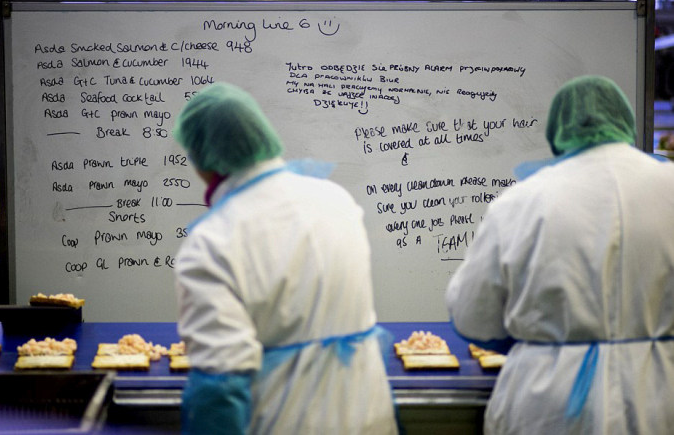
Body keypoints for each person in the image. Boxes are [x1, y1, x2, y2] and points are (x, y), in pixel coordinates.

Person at [445, 75, 674, 434]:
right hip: (660, 399)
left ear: (558, 131)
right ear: (625, 122)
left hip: (550, 403)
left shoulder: (522, 201)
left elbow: (473, 318)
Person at [172, 82, 398, 435]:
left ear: (204, 158)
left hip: (286, 421)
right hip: (367, 415)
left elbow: (219, 384)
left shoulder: (213, 239)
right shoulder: (335, 199)